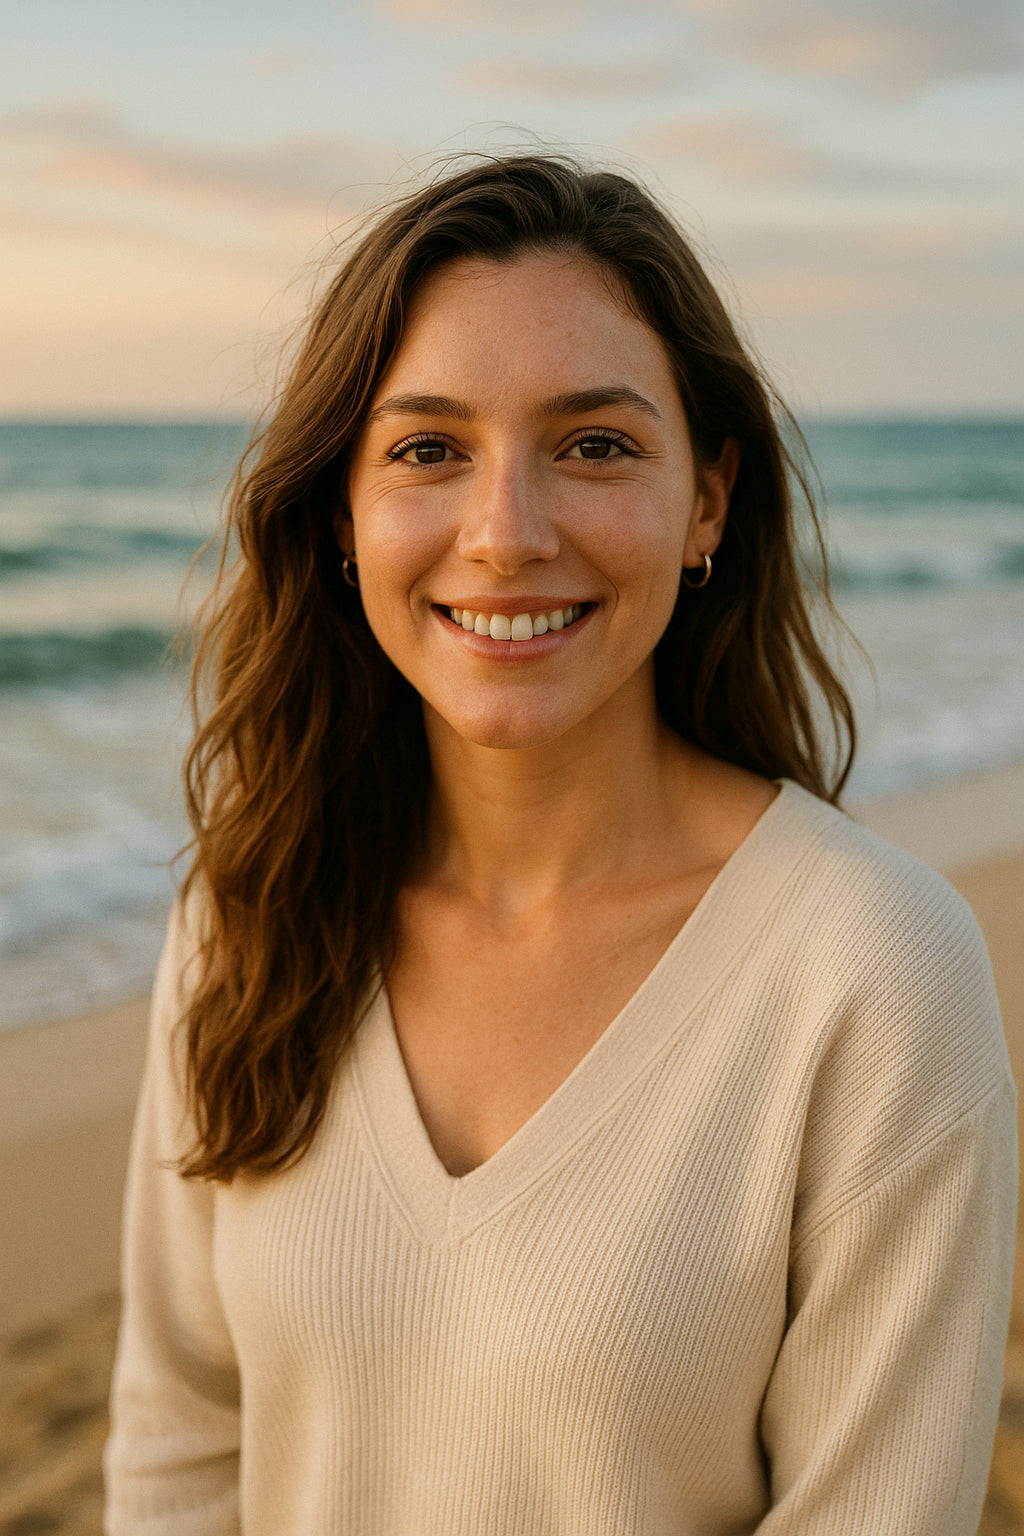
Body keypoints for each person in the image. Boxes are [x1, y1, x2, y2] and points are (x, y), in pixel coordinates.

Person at [104, 153, 1015, 1535]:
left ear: (708, 499)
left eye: (594, 445)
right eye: (426, 450)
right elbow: (176, 1454)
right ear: (343, 514)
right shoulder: (249, 915)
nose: (505, 534)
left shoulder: (870, 968)